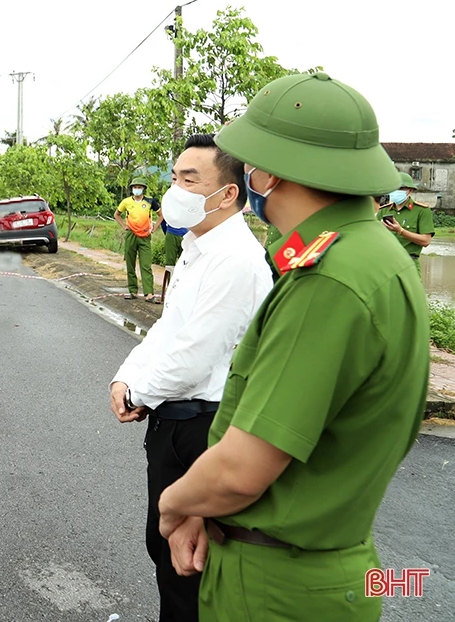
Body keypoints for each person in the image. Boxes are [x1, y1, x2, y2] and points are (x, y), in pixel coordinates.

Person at [158, 72, 430, 621]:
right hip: (314, 564)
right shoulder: (372, 254)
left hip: (276, 587)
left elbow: (240, 471)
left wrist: (173, 504)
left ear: (269, 172)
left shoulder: (329, 278)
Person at [110, 133, 272, 622]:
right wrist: (125, 377)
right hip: (172, 423)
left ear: (227, 194)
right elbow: (169, 328)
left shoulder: (236, 260)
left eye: (189, 179)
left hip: (204, 429)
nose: (174, 189)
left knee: (190, 571)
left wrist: (139, 390)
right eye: (174, 177)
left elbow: (194, 358)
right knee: (164, 551)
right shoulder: (198, 247)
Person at [115, 176, 162, 302]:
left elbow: (161, 215)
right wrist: (124, 226)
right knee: (130, 263)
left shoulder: (150, 201)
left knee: (146, 265)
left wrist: (155, 227)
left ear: (143, 189)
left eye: (139, 187)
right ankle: (133, 291)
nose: (137, 189)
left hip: (145, 236)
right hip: (131, 234)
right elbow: (117, 214)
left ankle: (149, 293)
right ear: (132, 189)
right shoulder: (126, 202)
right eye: (135, 187)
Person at [378, 171, 434, 274]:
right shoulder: (383, 211)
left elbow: (426, 241)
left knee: (412, 290)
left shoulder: (421, 211)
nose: (396, 191)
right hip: (384, 265)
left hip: (409, 264)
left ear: (410, 190)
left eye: (401, 188)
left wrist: (400, 231)